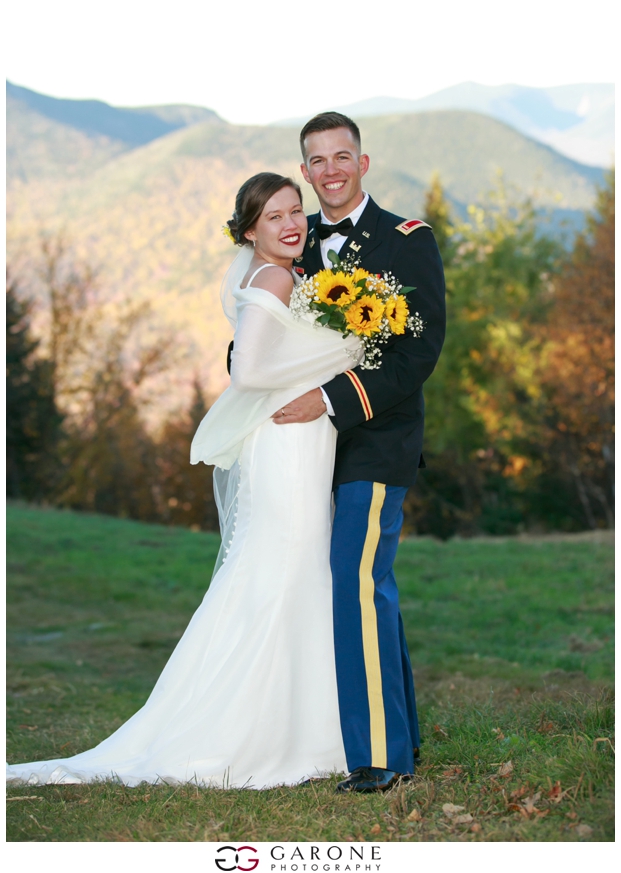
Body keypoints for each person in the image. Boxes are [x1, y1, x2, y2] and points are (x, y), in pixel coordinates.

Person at [6, 173, 362, 789]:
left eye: (295, 211)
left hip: (297, 438)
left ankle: (302, 724)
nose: (291, 224)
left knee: (283, 569)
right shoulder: (276, 276)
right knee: (290, 567)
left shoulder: (283, 273)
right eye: (274, 217)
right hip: (286, 440)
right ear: (250, 230)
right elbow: (249, 372)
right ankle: (265, 735)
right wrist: (345, 354)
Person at [272, 112, 446, 793]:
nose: (330, 172)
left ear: (363, 163)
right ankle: (401, 736)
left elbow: (417, 354)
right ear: (306, 171)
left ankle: (379, 757)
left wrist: (332, 400)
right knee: (363, 587)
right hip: (304, 454)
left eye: (341, 157)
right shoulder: (297, 243)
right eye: (316, 161)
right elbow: (265, 333)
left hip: (376, 443)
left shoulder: (407, 241)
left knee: (353, 581)